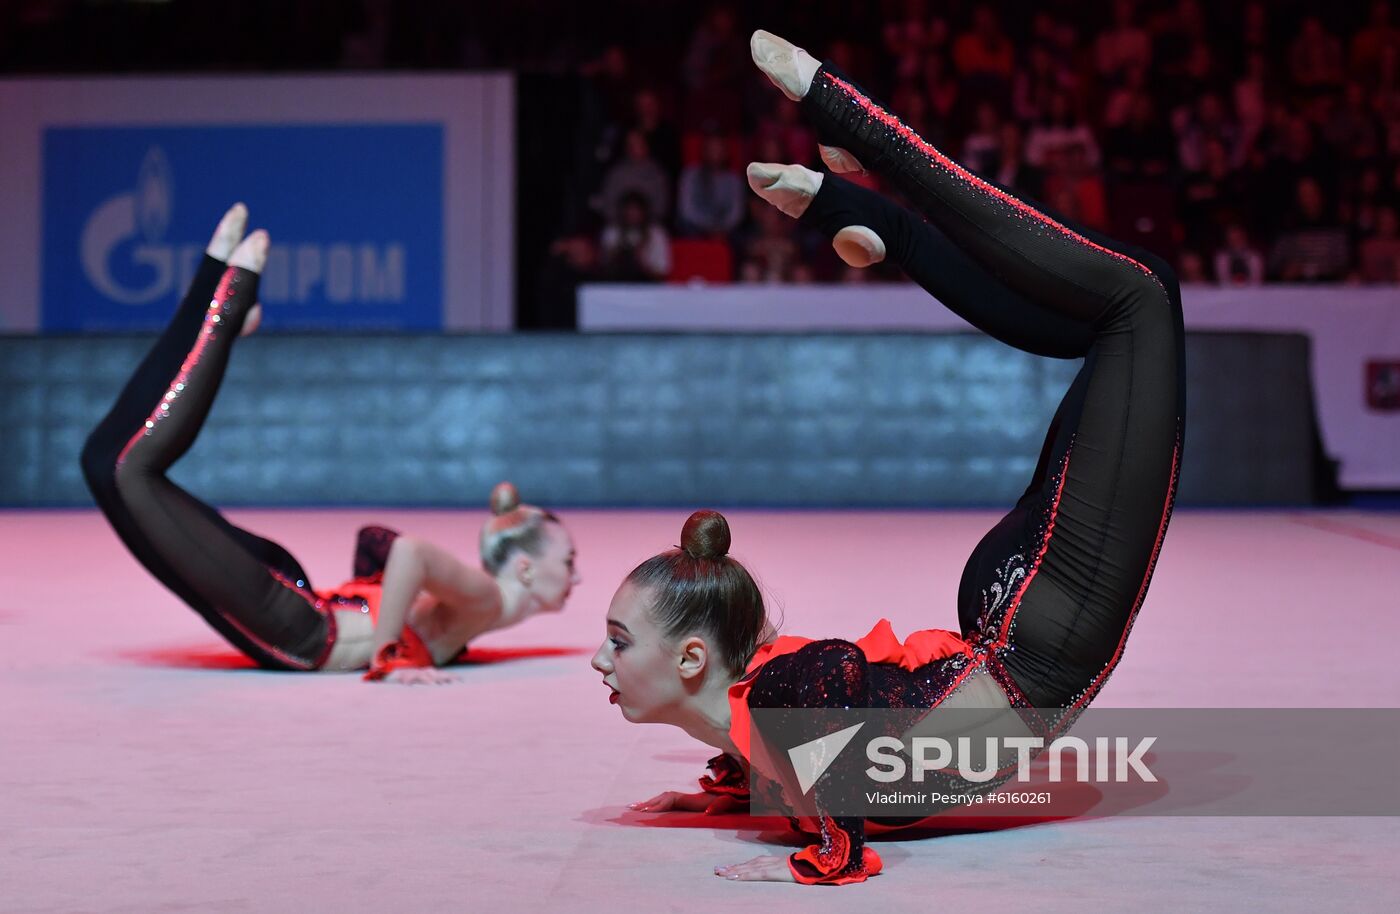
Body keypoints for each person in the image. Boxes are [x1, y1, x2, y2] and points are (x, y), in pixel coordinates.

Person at [592, 31, 1183, 885]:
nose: (599, 660)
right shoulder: (757, 729)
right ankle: (874, 218)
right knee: (1125, 313)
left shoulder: (773, 700)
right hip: (1022, 632)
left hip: (1039, 633)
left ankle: (861, 141)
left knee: (1138, 303)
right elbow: (817, 729)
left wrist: (831, 845)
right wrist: (743, 786)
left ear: (692, 661)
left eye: (617, 640)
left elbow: (823, 672)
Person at [81, 205, 579, 680]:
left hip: (297, 608)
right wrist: (389, 654)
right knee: (127, 470)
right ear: (526, 570)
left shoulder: (475, 618)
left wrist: (385, 603)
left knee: (104, 465)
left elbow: (375, 543)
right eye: (568, 561)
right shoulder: (487, 598)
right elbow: (410, 553)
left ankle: (214, 279)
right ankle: (227, 298)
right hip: (299, 624)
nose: (577, 578)